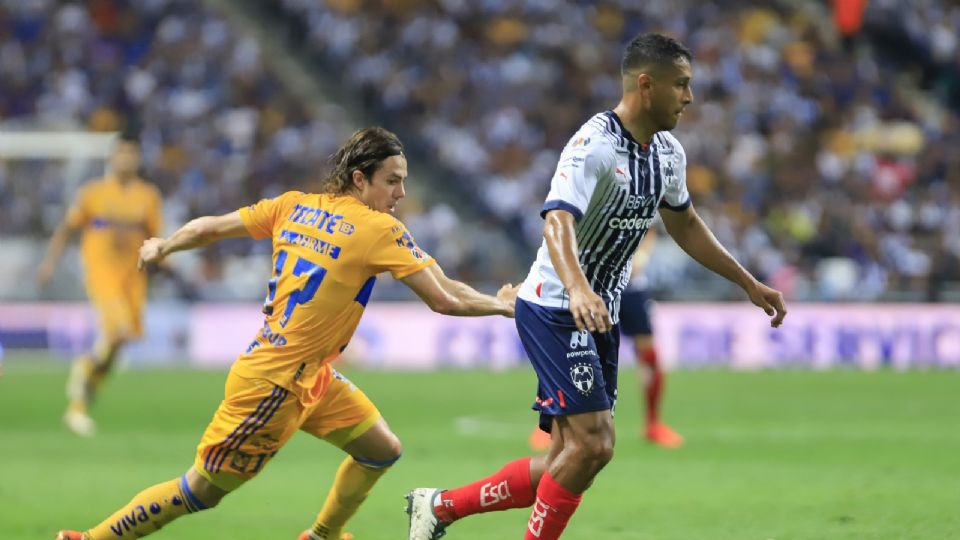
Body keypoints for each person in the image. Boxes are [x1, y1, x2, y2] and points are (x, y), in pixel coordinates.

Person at [405, 32, 786, 540]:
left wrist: (748, 282)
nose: (690, 98)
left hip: (596, 312)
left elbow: (686, 224)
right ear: (646, 85)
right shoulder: (594, 144)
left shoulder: (668, 153)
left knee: (570, 458)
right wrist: (580, 287)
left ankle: (440, 507)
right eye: (682, 85)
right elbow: (557, 221)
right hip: (558, 306)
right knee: (594, 446)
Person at [55, 127, 518, 540]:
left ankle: (322, 535)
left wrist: (165, 243)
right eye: (392, 180)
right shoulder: (378, 229)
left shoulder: (293, 205)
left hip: (306, 372)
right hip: (274, 386)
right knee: (200, 490)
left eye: (403, 180)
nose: (401, 192)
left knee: (380, 449)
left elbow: (213, 227)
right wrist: (502, 305)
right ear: (360, 179)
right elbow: (444, 298)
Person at [37, 133, 164, 437]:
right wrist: (49, 264)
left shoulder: (147, 196)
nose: (126, 159)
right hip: (102, 276)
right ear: (112, 158)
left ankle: (84, 392)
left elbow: (156, 238)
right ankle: (80, 389)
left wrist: (169, 260)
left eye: (132, 153)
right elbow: (67, 229)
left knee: (119, 344)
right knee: (116, 332)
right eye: (122, 153)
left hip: (134, 280)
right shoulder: (92, 193)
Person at [527, 229, 683, 452]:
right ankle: (549, 421)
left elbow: (649, 228)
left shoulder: (640, 197)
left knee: (648, 353)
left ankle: (653, 423)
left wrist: (641, 257)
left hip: (629, 288)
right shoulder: (587, 198)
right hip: (586, 286)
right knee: (564, 349)